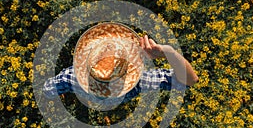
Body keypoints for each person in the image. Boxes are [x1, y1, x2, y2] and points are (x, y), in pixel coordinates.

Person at [43, 33, 199, 105]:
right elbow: (189, 81)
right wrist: (168, 52)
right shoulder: (140, 82)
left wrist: (55, 95)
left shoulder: (71, 77)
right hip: (122, 98)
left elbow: (48, 89)